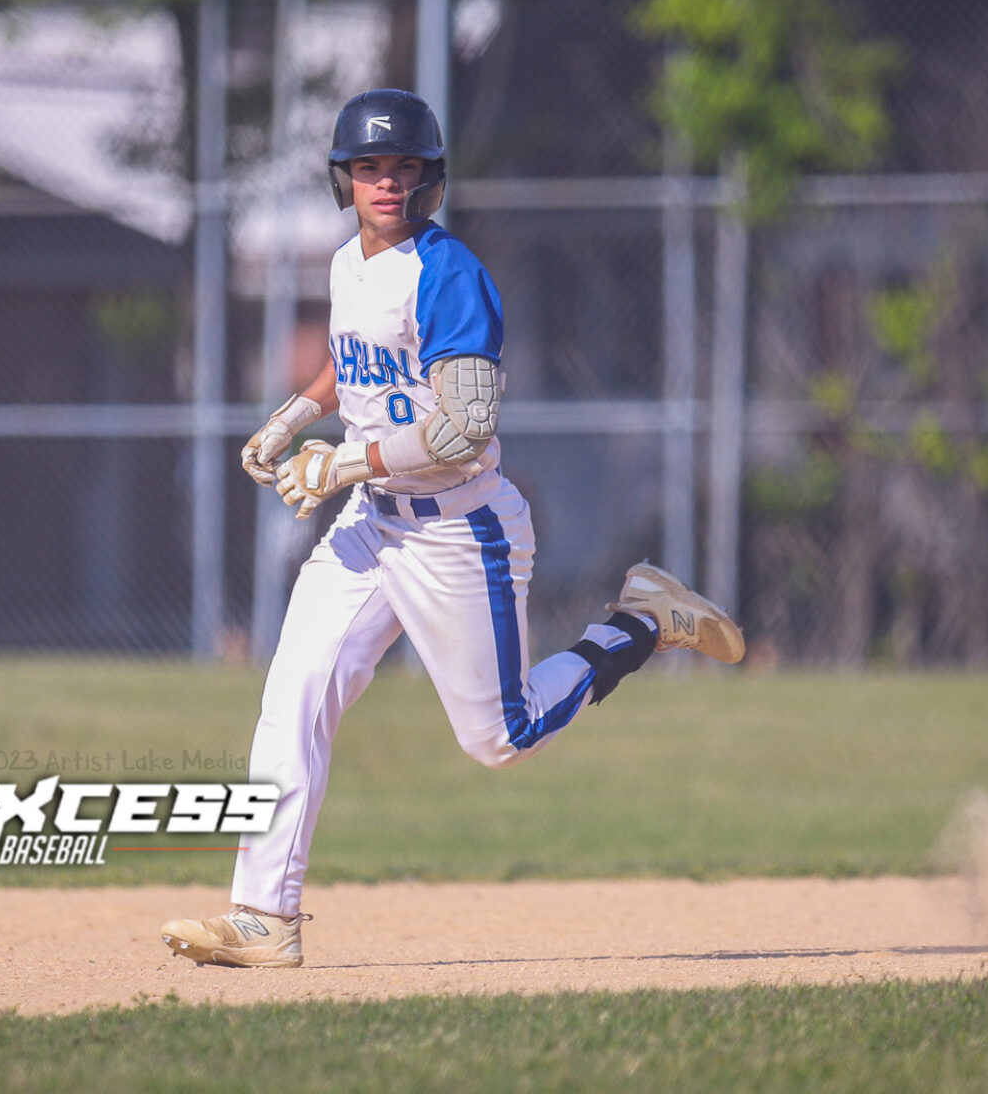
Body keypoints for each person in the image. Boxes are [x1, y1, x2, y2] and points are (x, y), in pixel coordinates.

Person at [159, 88, 744, 968]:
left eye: (402, 167)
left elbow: (463, 427)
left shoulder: (451, 274)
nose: (385, 181)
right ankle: (264, 918)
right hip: (370, 526)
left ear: (428, 178)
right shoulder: (349, 264)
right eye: (368, 167)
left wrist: (342, 463)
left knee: (499, 737)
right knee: (296, 691)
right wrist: (291, 419)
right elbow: (352, 363)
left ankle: (641, 622)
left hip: (459, 532)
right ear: (343, 180)